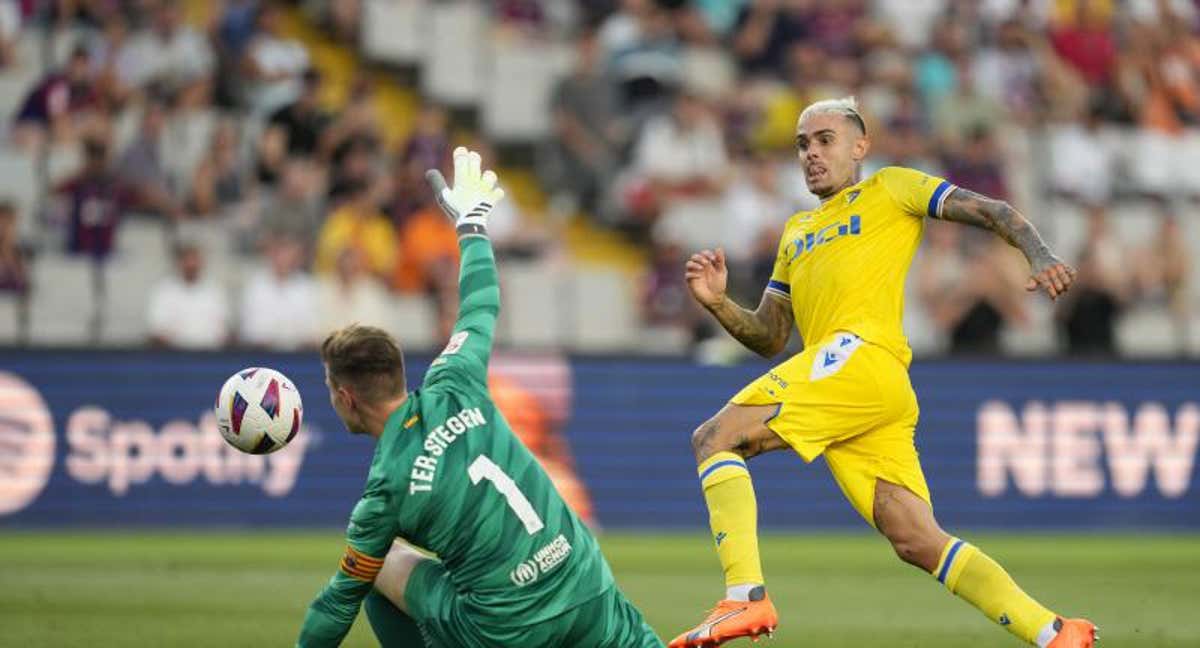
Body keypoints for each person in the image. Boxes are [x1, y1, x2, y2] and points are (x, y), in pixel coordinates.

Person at [671, 97, 1096, 648]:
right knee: (916, 538)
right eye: (803, 145)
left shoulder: (892, 188)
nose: (811, 154)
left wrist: (1038, 255)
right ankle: (1054, 632)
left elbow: (994, 210)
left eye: (825, 140)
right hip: (860, 384)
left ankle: (744, 597)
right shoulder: (797, 231)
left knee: (715, 437)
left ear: (859, 146)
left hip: (863, 355)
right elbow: (771, 337)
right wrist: (719, 304)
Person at [297, 147, 662, 648]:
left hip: (507, 630)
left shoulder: (383, 493)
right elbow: (482, 301)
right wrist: (470, 225)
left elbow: (335, 605)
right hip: (582, 584)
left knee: (381, 567)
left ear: (345, 396)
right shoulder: (456, 376)